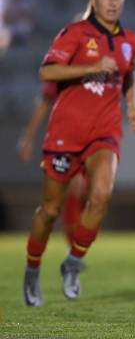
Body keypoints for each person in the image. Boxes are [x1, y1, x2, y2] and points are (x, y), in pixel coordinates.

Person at [23, 0, 135, 307]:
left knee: (101, 196)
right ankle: (32, 269)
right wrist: (89, 69)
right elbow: (47, 71)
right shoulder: (75, 33)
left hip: (104, 131)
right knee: (49, 210)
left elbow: (129, 72)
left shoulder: (130, 39)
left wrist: (132, 106)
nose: (113, 2)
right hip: (66, 133)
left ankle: (73, 262)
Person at [18, 82, 88, 245]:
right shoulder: (62, 67)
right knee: (72, 190)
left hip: (91, 136)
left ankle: (76, 243)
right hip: (64, 138)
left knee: (86, 191)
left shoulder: (95, 66)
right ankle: (72, 247)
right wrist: (27, 138)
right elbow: (44, 101)